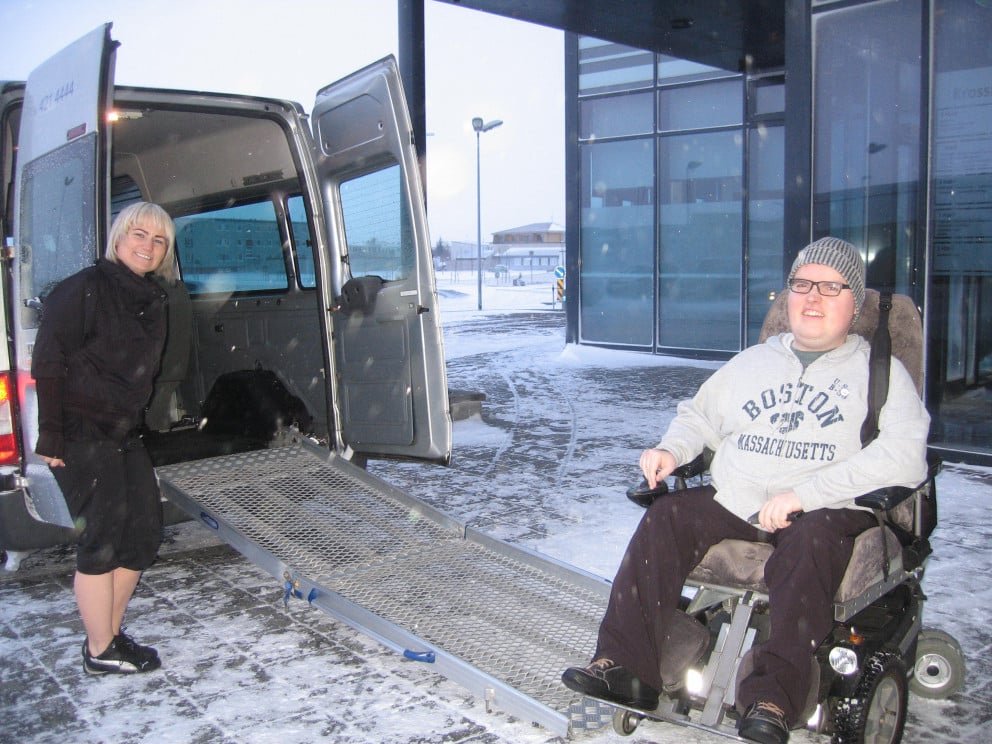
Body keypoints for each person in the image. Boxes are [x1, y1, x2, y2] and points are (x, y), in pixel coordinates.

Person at [561, 237, 930, 744]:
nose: (813, 298)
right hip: (742, 499)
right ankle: (626, 667)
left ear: (855, 303)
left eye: (830, 287)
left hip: (829, 512)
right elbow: (700, 416)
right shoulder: (754, 361)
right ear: (787, 295)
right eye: (802, 285)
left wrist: (806, 495)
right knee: (665, 516)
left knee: (810, 545)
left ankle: (772, 699)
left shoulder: (878, 372)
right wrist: (673, 450)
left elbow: (906, 454)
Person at [32, 202, 176, 676]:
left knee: (142, 534)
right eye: (139, 234)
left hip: (123, 432)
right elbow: (49, 361)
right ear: (118, 237)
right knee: (101, 539)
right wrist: (51, 435)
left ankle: (108, 636)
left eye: (158, 241)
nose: (148, 246)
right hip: (80, 432)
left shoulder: (151, 298)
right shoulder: (83, 290)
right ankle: (100, 650)